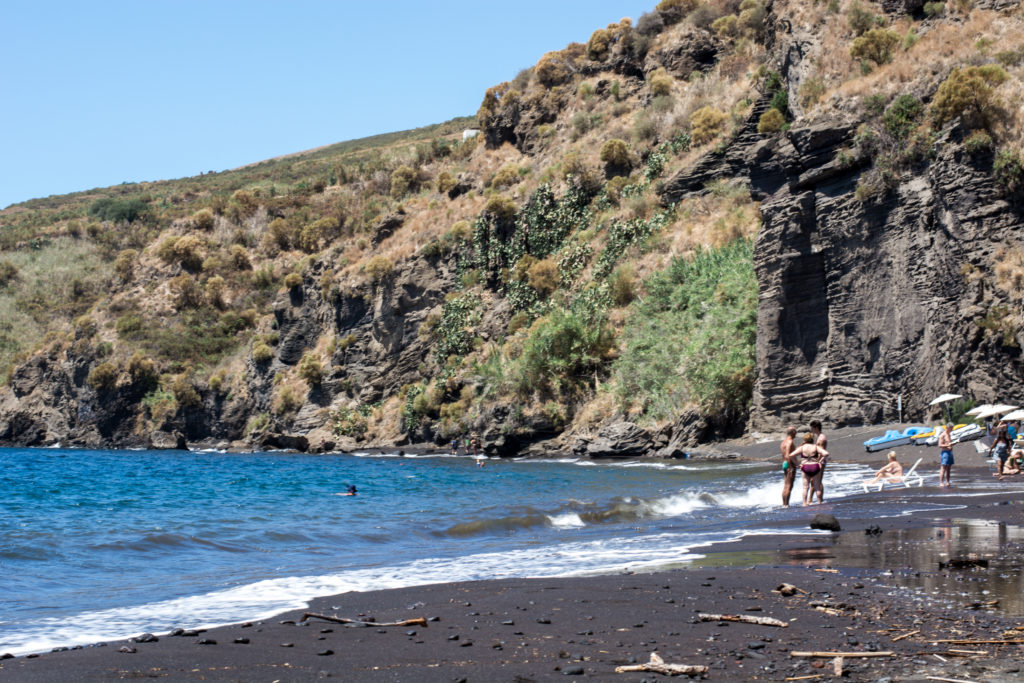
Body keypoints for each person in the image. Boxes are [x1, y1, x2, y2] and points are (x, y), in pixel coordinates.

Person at [792, 433, 829, 506]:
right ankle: (819, 502)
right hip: (815, 466)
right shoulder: (815, 447)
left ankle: (804, 503)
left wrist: (797, 464)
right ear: (812, 439)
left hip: (805, 467)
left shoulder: (802, 447)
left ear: (805, 440)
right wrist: (820, 461)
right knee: (817, 486)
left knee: (805, 487)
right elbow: (826, 453)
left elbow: (791, 455)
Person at [809, 420, 828, 503]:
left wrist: (818, 462)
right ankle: (818, 499)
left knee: (816, 481)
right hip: (819, 461)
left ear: (816, 427)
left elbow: (821, 452)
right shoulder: (820, 436)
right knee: (816, 481)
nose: (811, 430)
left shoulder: (821, 438)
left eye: (812, 428)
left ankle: (812, 500)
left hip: (820, 461)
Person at [780, 427, 797, 507]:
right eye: (795, 431)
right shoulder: (790, 442)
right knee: (789, 485)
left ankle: (784, 504)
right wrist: (791, 468)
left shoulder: (783, 442)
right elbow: (787, 455)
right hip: (789, 464)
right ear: (793, 432)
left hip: (784, 464)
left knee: (786, 485)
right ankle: (786, 505)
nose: (796, 433)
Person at [938, 422, 954, 487]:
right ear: (947, 428)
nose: (952, 430)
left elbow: (950, 443)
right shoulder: (942, 435)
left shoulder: (949, 435)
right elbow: (939, 445)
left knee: (949, 468)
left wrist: (953, 444)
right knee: (943, 468)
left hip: (950, 452)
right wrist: (948, 445)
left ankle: (947, 481)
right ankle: (941, 482)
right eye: (951, 429)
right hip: (945, 453)